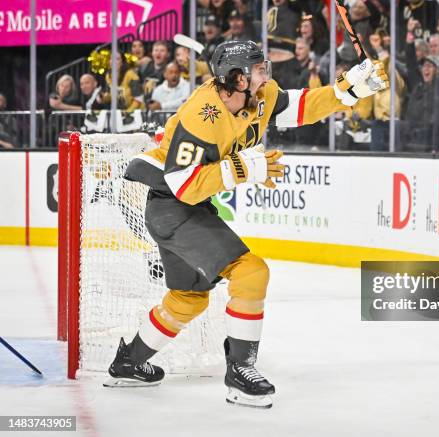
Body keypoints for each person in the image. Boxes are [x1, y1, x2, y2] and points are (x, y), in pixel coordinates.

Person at [104, 40, 388, 408]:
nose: (265, 74)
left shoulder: (258, 94)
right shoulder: (201, 115)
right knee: (252, 273)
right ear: (237, 79)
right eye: (258, 69)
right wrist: (243, 169)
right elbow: (183, 186)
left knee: (188, 299)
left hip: (185, 206)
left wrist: (346, 91)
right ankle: (240, 371)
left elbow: (295, 108)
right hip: (173, 207)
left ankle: (129, 362)